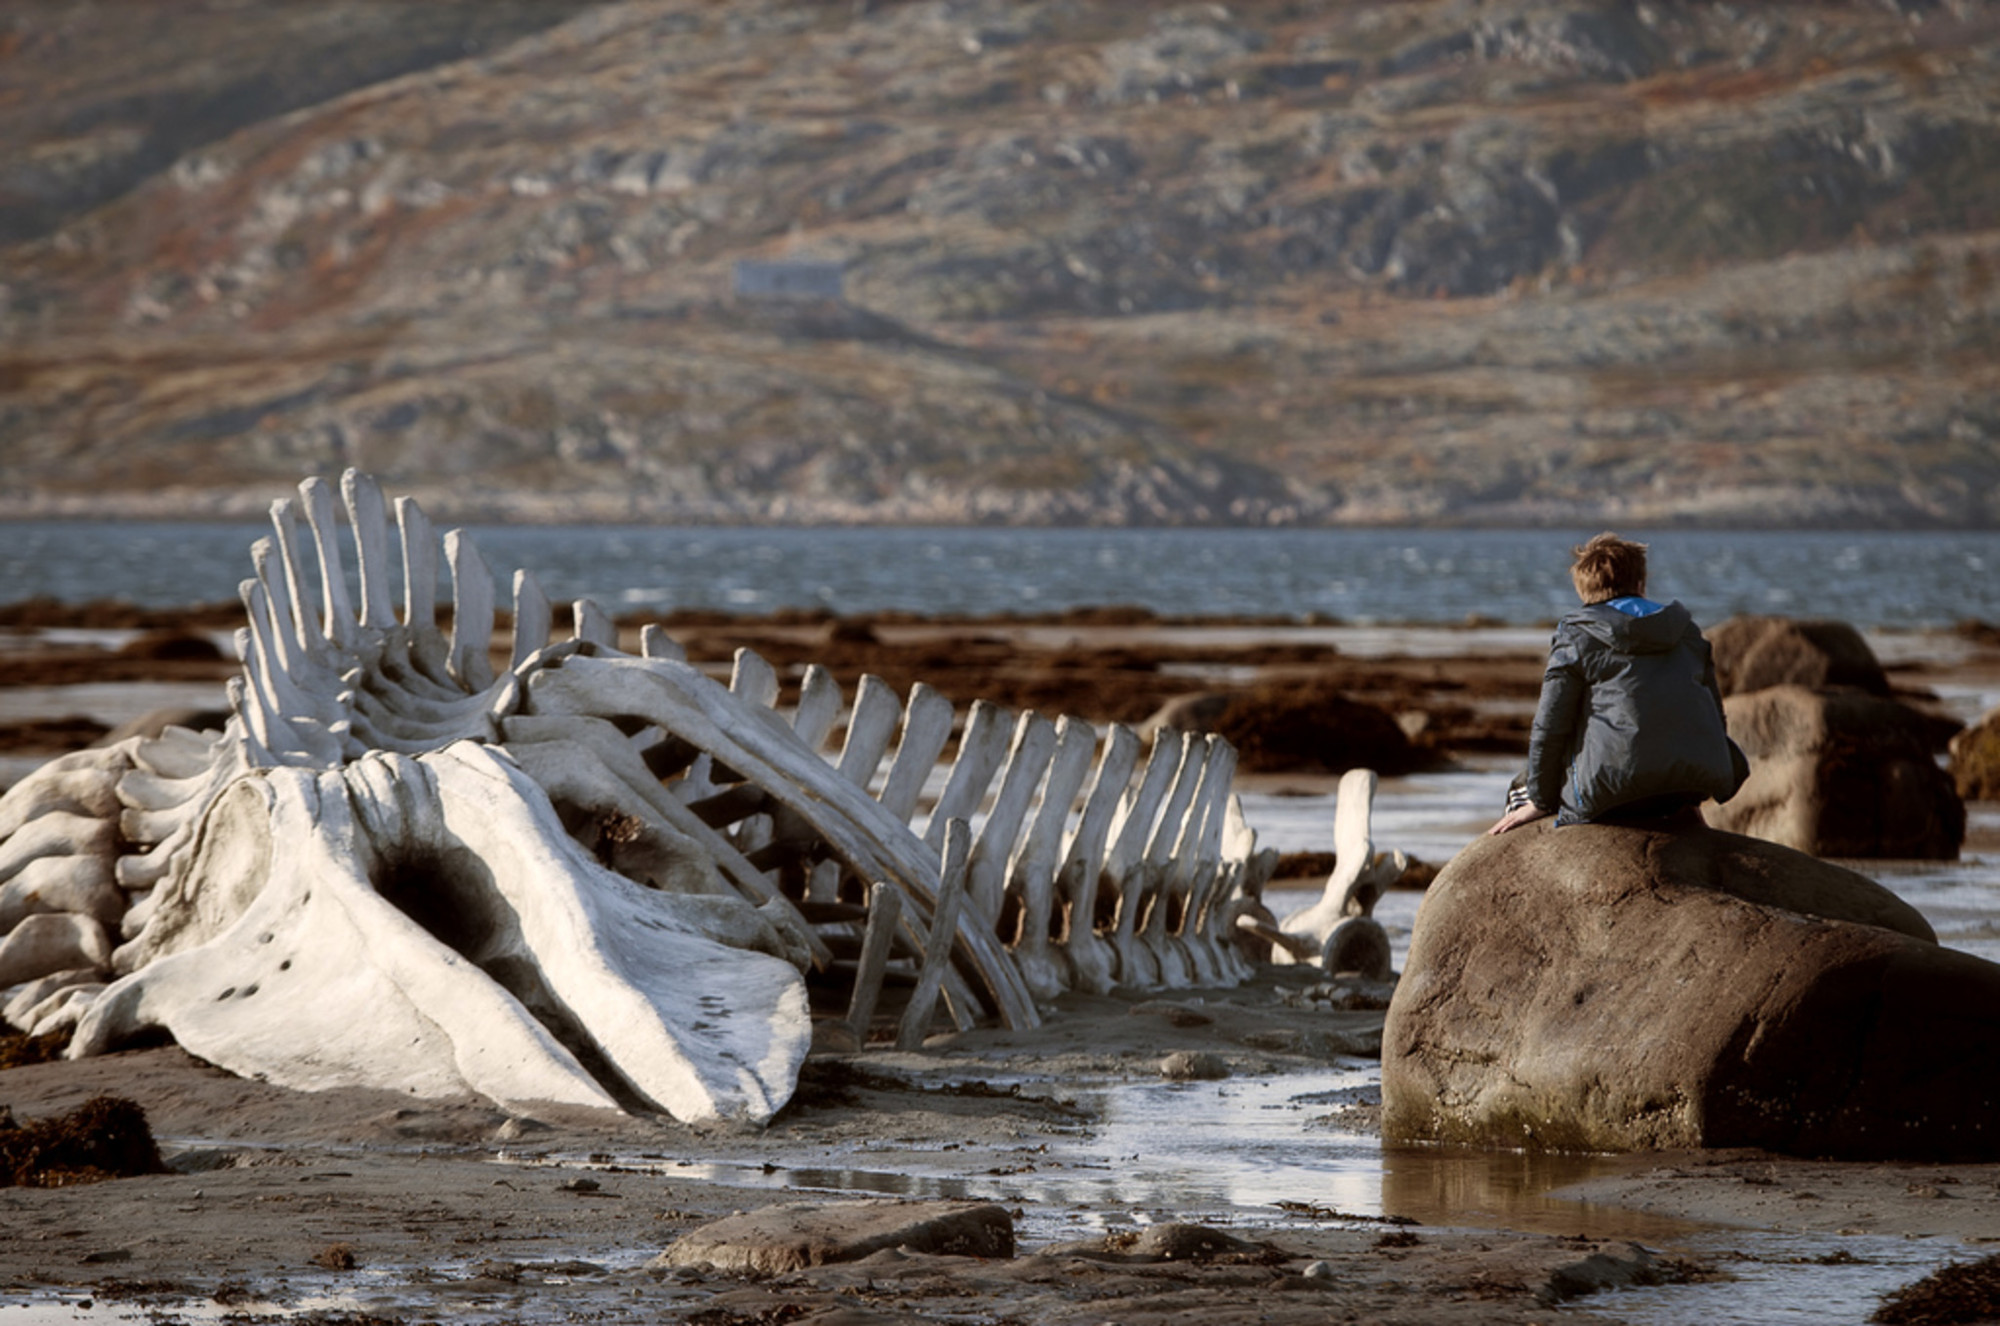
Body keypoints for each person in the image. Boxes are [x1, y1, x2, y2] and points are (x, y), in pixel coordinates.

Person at [1489, 532, 1746, 835]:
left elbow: (1550, 725)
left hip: (1617, 793)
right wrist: (1692, 796)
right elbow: (1715, 716)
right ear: (1641, 584)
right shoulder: (1687, 631)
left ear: (1584, 592)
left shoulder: (1578, 634)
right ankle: (1685, 811)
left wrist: (1542, 801)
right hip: (1694, 786)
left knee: (1520, 789)